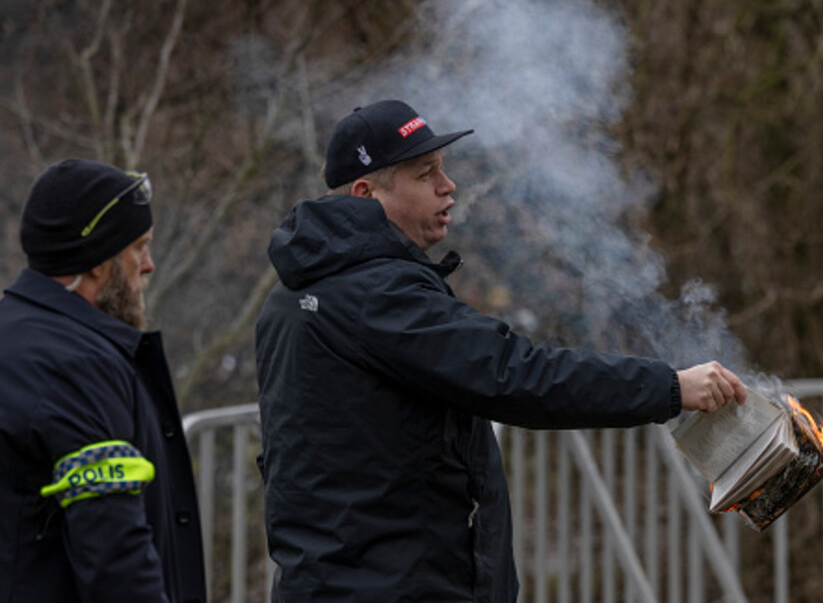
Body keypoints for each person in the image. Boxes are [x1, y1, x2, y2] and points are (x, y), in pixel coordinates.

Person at [254, 99, 747, 602]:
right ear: (365, 193)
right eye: (425, 175)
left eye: (443, 171)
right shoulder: (376, 294)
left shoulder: (292, 294)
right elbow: (516, 375)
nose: (449, 187)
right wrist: (670, 387)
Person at [0, 160, 206, 603]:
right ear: (98, 263)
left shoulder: (14, 335)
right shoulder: (76, 365)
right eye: (138, 247)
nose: (148, 266)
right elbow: (115, 555)